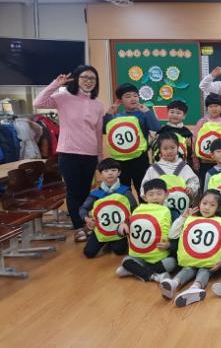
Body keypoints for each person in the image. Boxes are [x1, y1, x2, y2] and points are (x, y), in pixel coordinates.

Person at [33, 66, 104, 242]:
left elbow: (98, 133)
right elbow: (38, 103)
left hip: (90, 155)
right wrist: (56, 84)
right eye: (85, 77)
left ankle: (85, 224)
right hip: (69, 153)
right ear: (77, 79)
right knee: (73, 192)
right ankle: (78, 227)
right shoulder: (63, 97)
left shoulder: (97, 104)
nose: (88, 81)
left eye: (92, 78)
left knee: (86, 191)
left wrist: (99, 156)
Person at [160, 189, 221, 307]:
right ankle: (174, 283)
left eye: (212, 205)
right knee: (188, 268)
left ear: (218, 208)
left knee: (205, 270)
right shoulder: (190, 219)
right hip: (190, 260)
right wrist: (182, 217)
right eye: (204, 203)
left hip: (208, 263)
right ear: (199, 203)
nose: (207, 207)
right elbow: (172, 235)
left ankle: (195, 288)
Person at [103, 83, 161, 197]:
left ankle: (145, 208)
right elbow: (105, 129)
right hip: (120, 160)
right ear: (120, 101)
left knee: (143, 187)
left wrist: (147, 112)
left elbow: (156, 128)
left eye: (135, 95)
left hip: (140, 158)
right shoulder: (117, 117)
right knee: (123, 189)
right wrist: (109, 113)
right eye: (128, 96)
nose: (133, 99)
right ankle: (127, 207)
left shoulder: (143, 115)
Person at [116, 179, 176, 282]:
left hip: (161, 255)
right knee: (126, 261)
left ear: (166, 195)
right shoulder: (138, 210)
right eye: (151, 194)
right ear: (144, 197)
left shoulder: (172, 212)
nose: (155, 197)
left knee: (173, 263)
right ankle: (155, 276)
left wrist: (169, 245)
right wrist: (121, 228)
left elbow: (179, 235)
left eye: (159, 194)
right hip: (140, 254)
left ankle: (134, 270)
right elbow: (127, 227)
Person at [80, 158, 137, 256]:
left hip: (118, 230)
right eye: (106, 171)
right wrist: (87, 219)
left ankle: (112, 243)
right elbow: (83, 209)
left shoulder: (125, 192)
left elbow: (135, 210)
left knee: (119, 251)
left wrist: (127, 224)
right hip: (101, 229)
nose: (110, 173)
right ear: (101, 174)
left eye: (113, 170)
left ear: (119, 173)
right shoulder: (96, 194)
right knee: (89, 253)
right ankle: (107, 242)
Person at [141, 132, 200, 219]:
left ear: (178, 148)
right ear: (160, 149)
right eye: (165, 148)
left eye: (172, 148)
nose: (169, 151)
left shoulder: (184, 167)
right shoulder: (153, 169)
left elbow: (194, 182)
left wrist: (191, 189)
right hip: (159, 213)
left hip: (182, 213)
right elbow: (144, 189)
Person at [192, 94, 221, 186]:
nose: (213, 109)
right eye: (210, 106)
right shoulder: (202, 122)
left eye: (216, 106)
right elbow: (194, 140)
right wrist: (195, 160)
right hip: (204, 162)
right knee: (207, 186)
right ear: (207, 108)